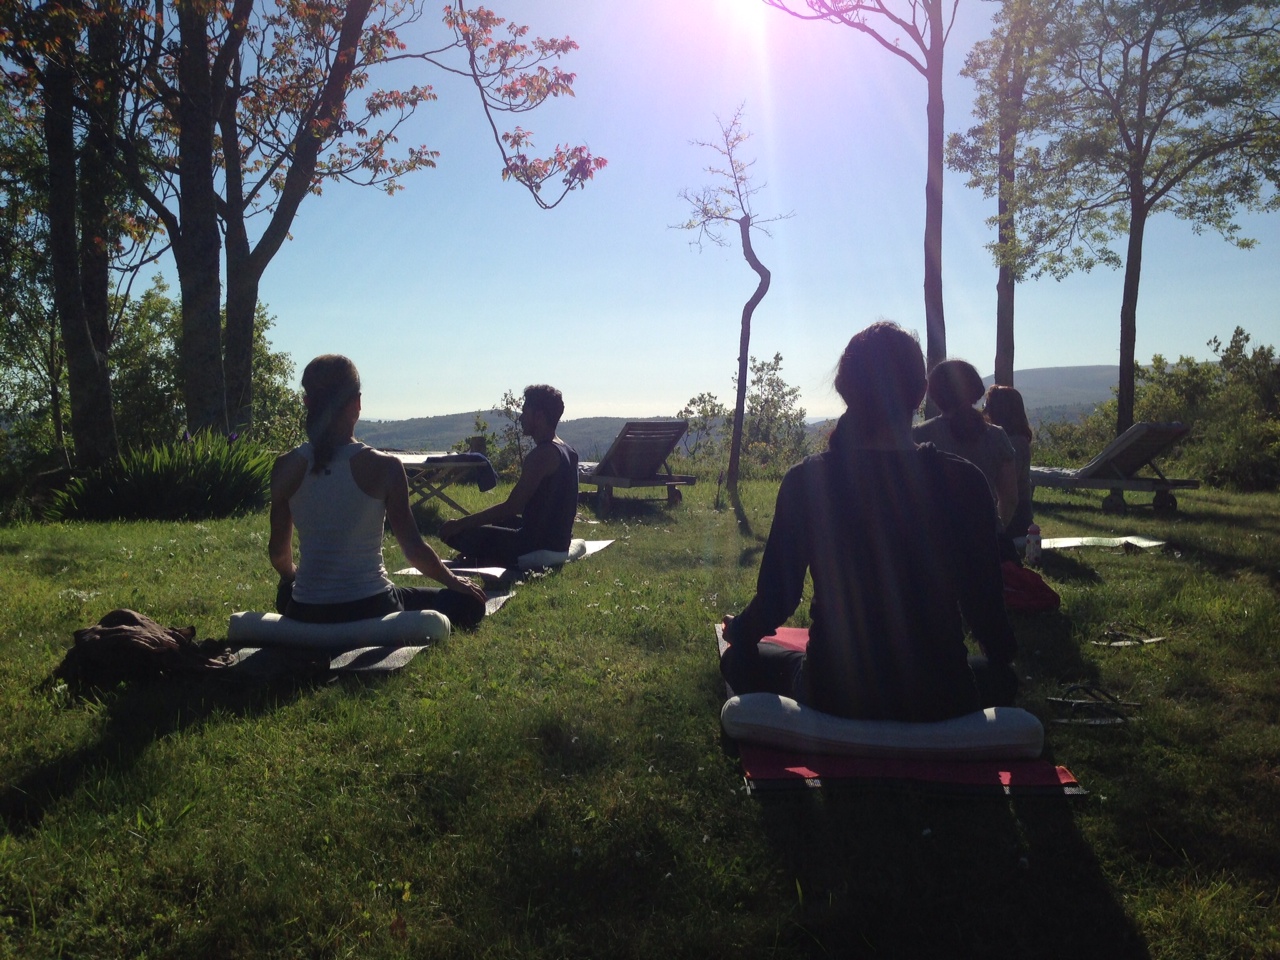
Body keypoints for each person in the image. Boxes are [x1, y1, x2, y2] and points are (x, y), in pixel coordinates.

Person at [720, 323, 1018, 721]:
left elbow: (778, 598)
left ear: (846, 391)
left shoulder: (808, 481)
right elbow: (985, 608)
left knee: (739, 662)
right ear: (919, 393)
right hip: (942, 698)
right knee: (1002, 681)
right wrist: (1003, 663)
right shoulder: (965, 482)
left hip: (836, 694)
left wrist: (738, 633)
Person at [269, 355, 488, 627]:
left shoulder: (284, 467)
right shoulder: (386, 467)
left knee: (284, 594)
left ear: (307, 402)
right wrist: (455, 582)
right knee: (469, 603)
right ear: (357, 404)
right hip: (373, 607)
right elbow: (413, 550)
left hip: (305, 612)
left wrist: (295, 577)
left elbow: (278, 554)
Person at [439, 384, 578, 568]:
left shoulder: (542, 455)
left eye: (525, 411)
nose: (520, 418)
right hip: (558, 539)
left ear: (539, 416)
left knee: (454, 533)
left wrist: (460, 524)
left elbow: (512, 506)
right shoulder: (568, 450)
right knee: (498, 521)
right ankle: (485, 556)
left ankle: (488, 559)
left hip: (535, 544)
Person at [913, 359, 1019, 533]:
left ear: (935, 394)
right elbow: (1010, 498)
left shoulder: (919, 435)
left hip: (935, 539)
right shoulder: (997, 436)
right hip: (984, 537)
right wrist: (995, 531)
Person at [983, 384, 1035, 541]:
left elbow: (1008, 492)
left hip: (1015, 516)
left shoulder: (1015, 443)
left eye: (988, 406)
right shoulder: (1012, 439)